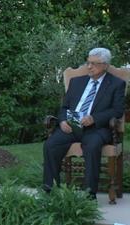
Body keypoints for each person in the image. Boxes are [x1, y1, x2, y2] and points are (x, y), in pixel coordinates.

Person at [43, 47, 126, 199]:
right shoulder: (76, 82)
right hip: (72, 126)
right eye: (88, 62)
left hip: (97, 129)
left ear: (105, 65)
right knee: (50, 145)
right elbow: (64, 108)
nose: (89, 66)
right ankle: (50, 190)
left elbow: (117, 111)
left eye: (94, 63)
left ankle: (89, 194)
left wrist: (94, 118)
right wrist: (62, 121)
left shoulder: (116, 84)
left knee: (92, 145)